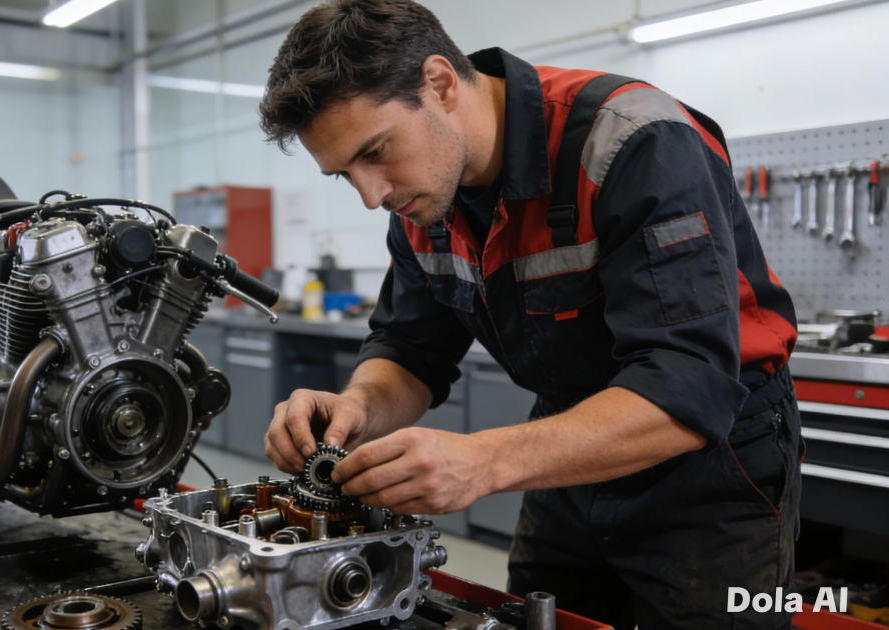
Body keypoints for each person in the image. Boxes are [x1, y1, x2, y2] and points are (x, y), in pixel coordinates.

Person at [256, 1, 801, 628]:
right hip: (563, 453)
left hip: (712, 471)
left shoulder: (634, 141)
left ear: (439, 83)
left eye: (376, 150)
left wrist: (484, 461)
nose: (371, 194)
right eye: (344, 174)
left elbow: (688, 385)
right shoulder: (422, 201)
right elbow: (410, 348)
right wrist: (358, 406)